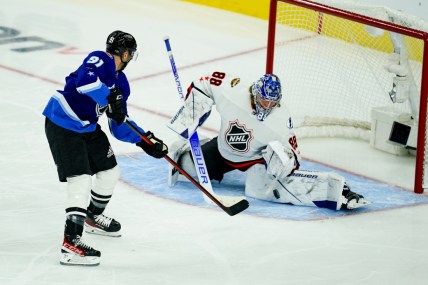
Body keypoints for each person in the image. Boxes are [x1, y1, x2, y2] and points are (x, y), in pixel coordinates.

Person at [43, 30, 168, 266]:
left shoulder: (122, 83)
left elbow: (119, 125)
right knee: (80, 179)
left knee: (110, 172)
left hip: (87, 128)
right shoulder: (99, 59)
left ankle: (92, 216)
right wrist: (110, 97)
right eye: (130, 53)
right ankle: (70, 244)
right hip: (63, 122)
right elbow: (85, 82)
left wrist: (145, 140)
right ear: (126, 53)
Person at [167, 71, 370, 211]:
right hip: (222, 150)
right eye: (265, 100)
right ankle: (192, 147)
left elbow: (294, 155)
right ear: (256, 93)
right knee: (187, 168)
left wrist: (283, 160)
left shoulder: (281, 119)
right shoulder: (233, 91)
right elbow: (204, 83)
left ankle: (337, 192)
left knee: (261, 191)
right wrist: (194, 107)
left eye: (274, 102)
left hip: (254, 160)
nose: (269, 105)